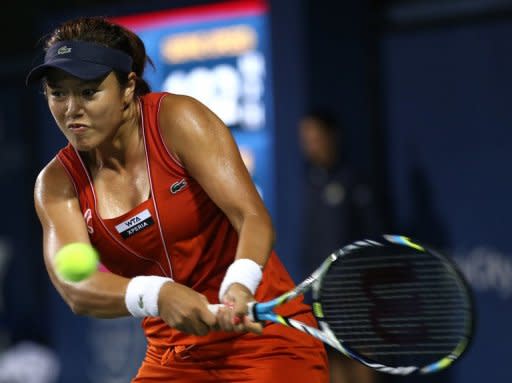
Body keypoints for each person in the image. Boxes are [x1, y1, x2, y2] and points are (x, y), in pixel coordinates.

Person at [27, 17, 328, 383]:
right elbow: (76, 289)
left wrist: (240, 282)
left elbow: (251, 215)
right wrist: (155, 294)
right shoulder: (56, 184)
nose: (72, 109)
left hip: (263, 338)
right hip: (173, 356)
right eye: (58, 93)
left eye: (89, 92)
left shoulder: (179, 119)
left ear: (127, 89)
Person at [298, 110, 382, 383]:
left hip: (355, 296)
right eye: (305, 138)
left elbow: (372, 241)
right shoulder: (309, 182)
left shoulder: (354, 181)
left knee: (360, 360)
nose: (309, 145)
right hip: (320, 295)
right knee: (330, 365)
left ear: (332, 136)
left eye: (315, 137)